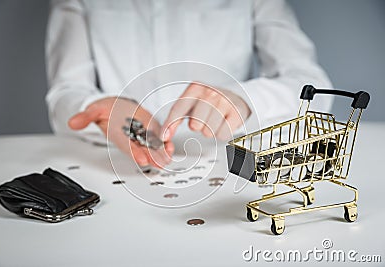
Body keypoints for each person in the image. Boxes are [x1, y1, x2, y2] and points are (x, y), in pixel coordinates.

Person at [46, 0, 333, 168]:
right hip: (117, 166)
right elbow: (66, 91)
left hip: (230, 164)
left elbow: (313, 85)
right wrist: (98, 107)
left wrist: (244, 100)